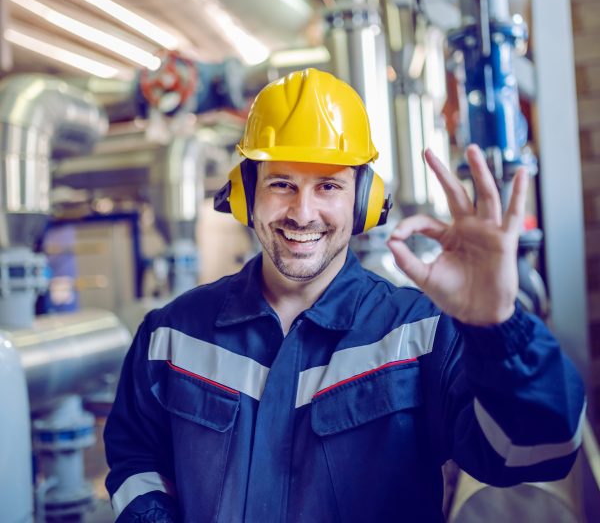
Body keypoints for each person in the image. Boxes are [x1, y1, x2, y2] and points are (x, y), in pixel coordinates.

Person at [104, 68, 585, 522]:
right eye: (282, 184)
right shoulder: (170, 333)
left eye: (328, 186)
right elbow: (135, 455)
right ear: (246, 195)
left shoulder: (418, 335)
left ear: (363, 204)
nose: (303, 212)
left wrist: (499, 327)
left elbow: (539, 451)